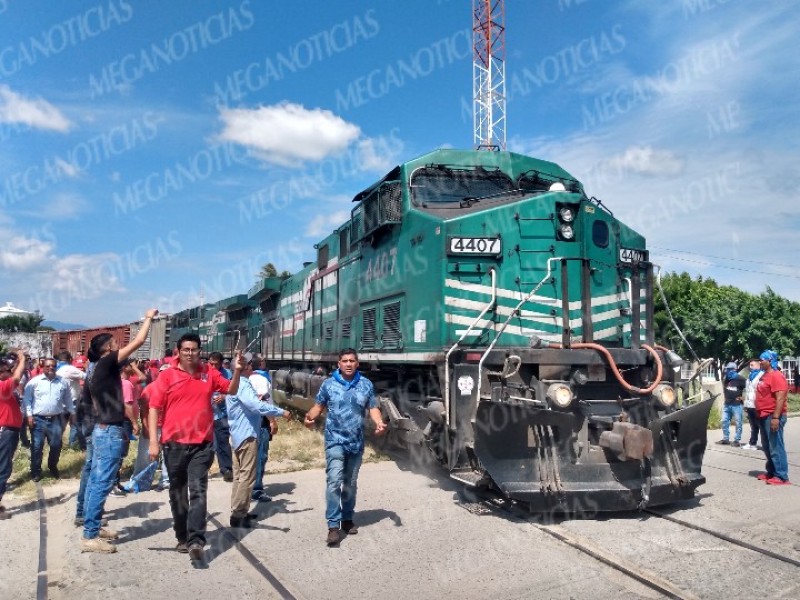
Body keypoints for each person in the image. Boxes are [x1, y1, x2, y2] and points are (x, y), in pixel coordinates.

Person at [148, 334, 243, 562]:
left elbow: (231, 390)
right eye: (186, 349)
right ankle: (182, 535)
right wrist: (153, 440)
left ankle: (196, 541)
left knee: (198, 490)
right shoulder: (168, 376)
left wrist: (237, 370)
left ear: (200, 351)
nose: (190, 353)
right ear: (178, 352)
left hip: (202, 445)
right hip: (174, 445)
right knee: (177, 493)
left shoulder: (208, 373)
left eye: (194, 349)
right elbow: (153, 407)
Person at [81, 309, 158, 554]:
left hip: (102, 428)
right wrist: (148, 318)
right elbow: (139, 342)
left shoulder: (94, 368)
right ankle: (90, 535)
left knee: (96, 481)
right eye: (114, 344)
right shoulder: (105, 363)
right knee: (102, 482)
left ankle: (93, 526)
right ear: (106, 349)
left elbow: (89, 401)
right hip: (108, 430)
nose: (118, 346)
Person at [303, 348, 386, 546]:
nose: (348, 364)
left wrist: (379, 422)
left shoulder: (366, 384)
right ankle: (333, 525)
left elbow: (372, 407)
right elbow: (319, 405)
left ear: (357, 363)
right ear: (338, 364)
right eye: (344, 361)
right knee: (334, 481)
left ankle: (347, 519)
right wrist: (309, 417)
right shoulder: (328, 384)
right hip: (334, 440)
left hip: (356, 442)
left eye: (352, 361)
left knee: (350, 483)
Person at [225, 357, 291, 527]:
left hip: (237, 434)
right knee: (247, 476)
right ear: (242, 368)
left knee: (240, 476)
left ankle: (239, 510)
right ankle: (238, 514)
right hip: (246, 435)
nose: (251, 367)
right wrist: (280, 412)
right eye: (248, 365)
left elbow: (248, 404)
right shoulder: (242, 384)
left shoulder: (234, 383)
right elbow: (255, 406)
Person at [23, 357, 74, 481]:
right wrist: (29, 415)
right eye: (48, 366)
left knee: (56, 445)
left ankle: (52, 466)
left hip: (56, 419)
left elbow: (68, 399)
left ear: (56, 367)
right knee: (37, 446)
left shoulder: (63, 382)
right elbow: (27, 400)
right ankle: (36, 471)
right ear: (43, 367)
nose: (51, 368)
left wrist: (73, 413)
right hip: (37, 420)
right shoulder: (34, 382)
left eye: (53, 366)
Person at [755, 350, 790, 485]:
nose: (760, 362)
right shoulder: (764, 376)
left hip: (773, 415)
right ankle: (771, 472)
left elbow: (780, 398)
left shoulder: (777, 376)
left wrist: (776, 417)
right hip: (763, 415)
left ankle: (781, 476)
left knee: (776, 446)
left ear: (770, 361)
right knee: (767, 446)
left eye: (762, 359)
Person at [0, 349, 26, 519]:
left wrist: (15, 363)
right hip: (5, 431)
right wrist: (22, 358)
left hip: (8, 430)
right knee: (3, 468)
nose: (8, 373)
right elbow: (16, 377)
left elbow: (14, 375)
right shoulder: (2, 386)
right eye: (4, 370)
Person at [249, 357, 274, 502]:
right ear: (262, 364)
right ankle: (256, 489)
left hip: (249, 422)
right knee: (260, 456)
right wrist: (272, 421)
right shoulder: (261, 379)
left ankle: (247, 488)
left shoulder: (247, 379)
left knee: (249, 456)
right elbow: (264, 403)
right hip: (261, 422)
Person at [207, 352, 234, 482]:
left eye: (215, 364)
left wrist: (224, 396)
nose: (212, 366)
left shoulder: (228, 374)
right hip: (205, 415)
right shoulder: (203, 374)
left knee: (223, 442)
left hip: (221, 414)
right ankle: (203, 469)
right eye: (210, 363)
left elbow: (235, 392)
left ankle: (226, 469)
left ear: (221, 363)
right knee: (206, 444)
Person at [56, 351, 86, 450]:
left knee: (60, 426)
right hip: (72, 401)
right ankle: (74, 445)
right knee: (76, 424)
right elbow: (86, 377)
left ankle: (56, 445)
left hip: (59, 401)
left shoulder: (54, 368)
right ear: (70, 359)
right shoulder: (70, 369)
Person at [717, 362, 745, 447]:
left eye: (730, 369)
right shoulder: (727, 379)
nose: (728, 371)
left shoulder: (741, 379)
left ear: (734, 369)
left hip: (737, 405)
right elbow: (725, 388)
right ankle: (726, 438)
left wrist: (744, 398)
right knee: (724, 420)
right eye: (727, 369)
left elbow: (749, 389)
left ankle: (737, 440)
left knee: (738, 422)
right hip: (727, 404)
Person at [742, 359, 763, 450]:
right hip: (749, 404)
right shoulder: (750, 375)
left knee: (760, 425)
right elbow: (747, 390)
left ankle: (767, 445)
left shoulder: (761, 375)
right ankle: (752, 443)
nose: (750, 367)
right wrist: (745, 403)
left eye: (752, 365)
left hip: (758, 404)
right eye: (750, 365)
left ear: (758, 365)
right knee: (753, 425)